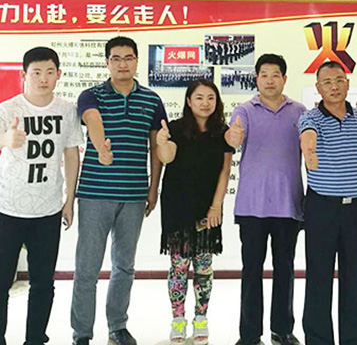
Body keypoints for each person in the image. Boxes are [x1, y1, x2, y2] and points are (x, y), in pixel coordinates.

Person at [71, 36, 167, 345]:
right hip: (95, 194)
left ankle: (117, 326)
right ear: (107, 62)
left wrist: (153, 188)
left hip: (134, 195)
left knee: (124, 266)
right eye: (116, 58)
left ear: (137, 61)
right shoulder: (91, 95)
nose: (122, 63)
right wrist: (101, 148)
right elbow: (92, 119)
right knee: (87, 267)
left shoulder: (151, 100)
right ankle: (81, 333)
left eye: (128, 58)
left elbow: (156, 147)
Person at [0, 47, 83, 345]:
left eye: (49, 72)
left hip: (48, 210)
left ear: (59, 74)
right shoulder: (7, 109)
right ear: (24, 75)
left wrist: (69, 200)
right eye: (36, 72)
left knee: (43, 283)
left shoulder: (67, 110)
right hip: (7, 209)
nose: (43, 78)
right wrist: (6, 139)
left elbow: (71, 154)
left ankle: (35, 339)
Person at [224, 54, 306, 345]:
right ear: (256, 79)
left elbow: (310, 148)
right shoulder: (245, 110)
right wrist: (233, 136)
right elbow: (233, 138)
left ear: (284, 79)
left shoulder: (299, 111)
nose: (270, 80)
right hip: (252, 205)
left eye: (275, 75)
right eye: (264, 75)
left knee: (285, 270)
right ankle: (249, 334)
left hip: (288, 205)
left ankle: (282, 330)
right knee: (251, 271)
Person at [298, 61, 357, 345]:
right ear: (318, 88)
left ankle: (354, 339)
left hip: (356, 208)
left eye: (339, 80)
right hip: (321, 208)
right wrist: (309, 150)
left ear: (347, 83)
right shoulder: (310, 118)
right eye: (327, 82)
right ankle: (318, 339)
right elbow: (307, 136)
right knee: (318, 277)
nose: (334, 86)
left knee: (354, 278)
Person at [156, 79, 233, 345]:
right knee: (178, 266)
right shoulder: (175, 128)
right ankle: (178, 320)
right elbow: (167, 157)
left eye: (210, 98)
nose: (205, 103)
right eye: (199, 98)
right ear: (189, 101)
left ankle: (201, 319)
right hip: (177, 206)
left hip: (207, 207)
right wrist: (162, 142)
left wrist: (216, 206)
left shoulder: (222, 132)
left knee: (203, 267)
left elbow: (225, 170)